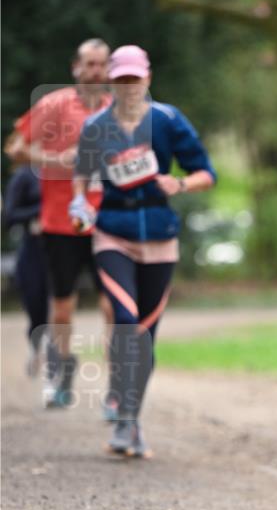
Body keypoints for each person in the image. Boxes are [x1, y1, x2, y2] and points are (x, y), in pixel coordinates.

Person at [72, 44, 216, 457]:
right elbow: (81, 183)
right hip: (112, 235)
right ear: (111, 83)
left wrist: (181, 184)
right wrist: (80, 206)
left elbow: (206, 173)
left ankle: (128, 411)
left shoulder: (169, 121)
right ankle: (124, 419)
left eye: (135, 79)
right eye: (121, 80)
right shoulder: (96, 126)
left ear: (147, 79)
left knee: (145, 336)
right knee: (124, 319)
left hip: (160, 237)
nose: (129, 87)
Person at [7, 39, 113, 407]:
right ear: (76, 68)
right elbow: (15, 149)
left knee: (112, 306)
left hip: (108, 223)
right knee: (62, 306)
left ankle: (116, 388)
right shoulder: (54, 105)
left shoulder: (118, 110)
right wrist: (55, 159)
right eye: (89, 64)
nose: (96, 71)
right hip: (60, 223)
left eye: (102, 64)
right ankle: (60, 374)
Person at [1, 164, 50, 375]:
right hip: (32, 252)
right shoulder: (24, 176)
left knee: (57, 310)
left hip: (61, 251)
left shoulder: (67, 172)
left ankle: (53, 368)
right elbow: (9, 216)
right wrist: (44, 211)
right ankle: (36, 345)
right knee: (36, 308)